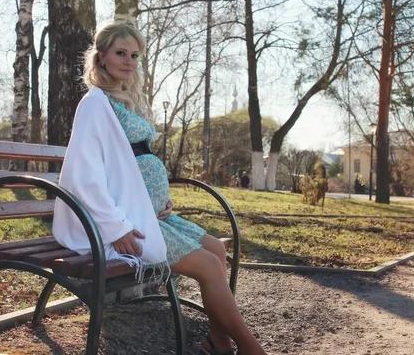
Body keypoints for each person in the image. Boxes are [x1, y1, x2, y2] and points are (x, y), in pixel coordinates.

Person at [52, 21, 266, 355]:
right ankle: (251, 348)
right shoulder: (95, 104)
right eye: (121, 53)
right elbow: (84, 174)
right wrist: (115, 226)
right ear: (102, 56)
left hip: (150, 214)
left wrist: (159, 198)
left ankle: (218, 340)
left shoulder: (122, 102)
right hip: (123, 223)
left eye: (134, 55)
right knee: (209, 267)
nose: (128, 61)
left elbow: (134, 162)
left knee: (218, 251)